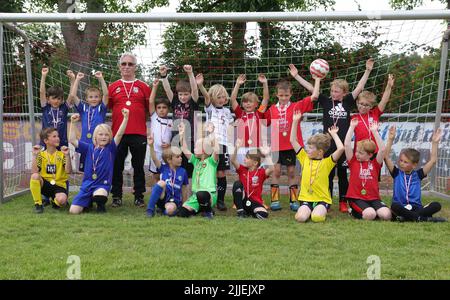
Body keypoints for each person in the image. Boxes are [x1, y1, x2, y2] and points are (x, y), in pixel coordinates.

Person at [290, 58, 374, 213]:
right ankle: (325, 200)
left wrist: (367, 70)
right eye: (332, 91)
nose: (333, 93)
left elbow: (360, 87)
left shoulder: (348, 101)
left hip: (343, 146)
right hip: (327, 145)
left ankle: (343, 201)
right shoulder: (327, 101)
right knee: (326, 174)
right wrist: (296, 76)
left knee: (343, 174)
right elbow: (311, 88)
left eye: (336, 91)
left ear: (344, 92)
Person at [265, 77, 317, 211]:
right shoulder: (271, 109)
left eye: (286, 95)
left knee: (292, 172)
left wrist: (317, 79)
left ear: (291, 94)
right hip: (276, 146)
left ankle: (293, 200)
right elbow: (262, 120)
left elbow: (314, 95)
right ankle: (275, 200)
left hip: (291, 146)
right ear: (276, 94)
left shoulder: (296, 106)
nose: (283, 98)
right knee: (275, 172)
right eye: (281, 95)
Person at [108, 53, 151, 208]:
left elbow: (148, 109)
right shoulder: (112, 87)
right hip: (118, 134)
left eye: (130, 64)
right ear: (119, 66)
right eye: (124, 64)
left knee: (138, 166)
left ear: (135, 67)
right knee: (117, 165)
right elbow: (110, 106)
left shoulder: (144, 86)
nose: (127, 66)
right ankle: (116, 196)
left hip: (139, 132)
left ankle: (139, 196)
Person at [68, 109, 129, 214]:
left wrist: (126, 118)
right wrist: (73, 123)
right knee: (73, 211)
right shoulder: (88, 148)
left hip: (102, 184)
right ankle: (88, 201)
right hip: (87, 184)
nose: (104, 137)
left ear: (110, 136)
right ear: (95, 136)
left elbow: (119, 134)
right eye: (101, 134)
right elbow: (72, 140)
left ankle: (100, 206)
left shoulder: (110, 148)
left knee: (100, 195)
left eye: (106, 135)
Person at [290, 111, 344, 223]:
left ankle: (318, 210)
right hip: (306, 198)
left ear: (320, 152)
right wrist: (295, 121)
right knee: (300, 218)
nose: (307, 150)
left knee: (317, 218)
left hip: (322, 199)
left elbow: (341, 149)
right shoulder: (304, 157)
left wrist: (334, 134)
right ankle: (308, 210)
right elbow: (292, 140)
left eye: (311, 148)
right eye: (308, 147)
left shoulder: (327, 162)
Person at [385, 125, 446, 222]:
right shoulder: (396, 173)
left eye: (405, 162)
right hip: (400, 207)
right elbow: (386, 157)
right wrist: (390, 139)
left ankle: (407, 218)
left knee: (436, 205)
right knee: (394, 205)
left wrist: (435, 143)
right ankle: (423, 219)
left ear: (414, 165)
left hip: (416, 207)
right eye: (401, 160)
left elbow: (433, 160)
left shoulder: (418, 174)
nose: (401, 163)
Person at [197, 79, 234, 211]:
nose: (221, 99)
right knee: (209, 172)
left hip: (223, 145)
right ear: (213, 98)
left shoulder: (228, 112)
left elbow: (229, 128)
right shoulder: (210, 109)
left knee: (221, 172)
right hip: (210, 145)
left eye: (223, 97)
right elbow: (206, 97)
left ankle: (221, 200)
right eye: (218, 97)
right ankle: (206, 200)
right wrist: (201, 85)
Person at [344, 120, 391, 220]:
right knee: (370, 215)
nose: (356, 154)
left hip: (373, 198)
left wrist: (374, 131)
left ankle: (372, 210)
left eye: (360, 153)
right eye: (356, 151)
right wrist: (352, 127)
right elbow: (347, 145)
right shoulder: (353, 161)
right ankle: (353, 211)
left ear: (370, 155)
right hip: (356, 198)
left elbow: (382, 150)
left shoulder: (375, 163)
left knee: (386, 215)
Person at [159, 64, 199, 179]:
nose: (183, 97)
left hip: (189, 140)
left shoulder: (193, 102)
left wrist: (190, 73)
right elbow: (167, 89)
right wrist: (164, 76)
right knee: (175, 166)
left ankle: (190, 192)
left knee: (189, 167)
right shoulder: (175, 101)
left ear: (190, 94)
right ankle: (175, 191)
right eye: (181, 94)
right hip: (176, 139)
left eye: (186, 94)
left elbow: (195, 88)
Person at [67, 71, 108, 171]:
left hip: (99, 143)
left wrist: (101, 78)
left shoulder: (101, 109)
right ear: (86, 98)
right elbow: (73, 96)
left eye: (96, 97)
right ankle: (86, 187)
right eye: (91, 97)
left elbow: (106, 94)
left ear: (99, 98)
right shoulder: (83, 108)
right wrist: (77, 79)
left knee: (98, 169)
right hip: (85, 143)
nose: (93, 99)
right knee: (85, 171)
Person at [177, 122, 219, 219]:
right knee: (181, 213)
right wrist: (181, 134)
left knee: (202, 194)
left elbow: (216, 150)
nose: (194, 149)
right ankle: (200, 210)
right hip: (196, 197)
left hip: (209, 195)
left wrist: (212, 133)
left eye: (196, 147)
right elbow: (184, 149)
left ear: (204, 150)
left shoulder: (211, 161)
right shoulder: (196, 161)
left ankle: (208, 212)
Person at [230, 73, 270, 166]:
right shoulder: (240, 113)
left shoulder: (259, 113)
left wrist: (265, 83)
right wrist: (237, 84)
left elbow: (266, 99)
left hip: (255, 147)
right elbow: (232, 100)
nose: (247, 104)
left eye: (250, 102)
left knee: (256, 172)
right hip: (242, 148)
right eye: (245, 102)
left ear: (256, 104)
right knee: (242, 170)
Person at [146, 134, 188, 218]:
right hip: (163, 197)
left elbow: (184, 190)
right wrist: (151, 146)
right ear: (169, 160)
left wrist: (184, 206)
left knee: (170, 209)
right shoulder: (163, 168)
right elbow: (154, 159)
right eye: (177, 157)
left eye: (181, 156)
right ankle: (150, 210)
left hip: (174, 201)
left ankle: (165, 211)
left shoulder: (183, 171)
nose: (181, 158)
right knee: (161, 183)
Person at [30, 128, 71, 213]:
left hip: (59, 185)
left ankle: (55, 202)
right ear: (46, 140)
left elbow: (68, 171)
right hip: (46, 184)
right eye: (54, 136)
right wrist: (34, 155)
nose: (58, 138)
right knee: (35, 176)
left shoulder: (62, 154)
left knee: (62, 201)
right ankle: (38, 204)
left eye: (58, 136)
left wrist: (67, 156)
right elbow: (34, 171)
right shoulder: (41, 155)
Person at [230, 139, 274, 219]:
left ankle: (249, 212)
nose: (244, 159)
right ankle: (240, 211)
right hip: (243, 200)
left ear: (255, 163)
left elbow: (271, 169)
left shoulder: (261, 172)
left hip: (255, 202)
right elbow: (233, 160)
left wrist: (267, 155)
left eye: (247, 158)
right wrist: (236, 148)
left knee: (263, 215)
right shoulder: (242, 169)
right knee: (237, 184)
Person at [351, 74, 394, 154]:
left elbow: (384, 101)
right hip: (360, 152)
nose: (363, 107)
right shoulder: (353, 118)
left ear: (371, 106)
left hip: (375, 151)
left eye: (366, 105)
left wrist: (389, 86)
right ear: (357, 103)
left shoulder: (375, 113)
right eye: (361, 103)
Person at [39, 67, 71, 149]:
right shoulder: (46, 107)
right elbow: (42, 92)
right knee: (45, 161)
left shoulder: (64, 108)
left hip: (61, 143)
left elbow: (72, 95)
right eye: (53, 98)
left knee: (63, 162)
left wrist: (73, 79)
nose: (56, 101)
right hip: (46, 143)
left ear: (62, 100)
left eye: (59, 98)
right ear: (48, 99)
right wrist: (43, 76)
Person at [148, 79, 173, 184]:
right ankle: (156, 195)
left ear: (168, 109)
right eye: (159, 107)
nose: (161, 110)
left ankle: (167, 194)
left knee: (167, 174)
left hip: (166, 153)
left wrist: (169, 145)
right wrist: (154, 87)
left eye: (164, 107)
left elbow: (174, 137)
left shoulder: (171, 122)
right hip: (156, 152)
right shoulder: (154, 117)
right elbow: (151, 101)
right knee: (156, 175)